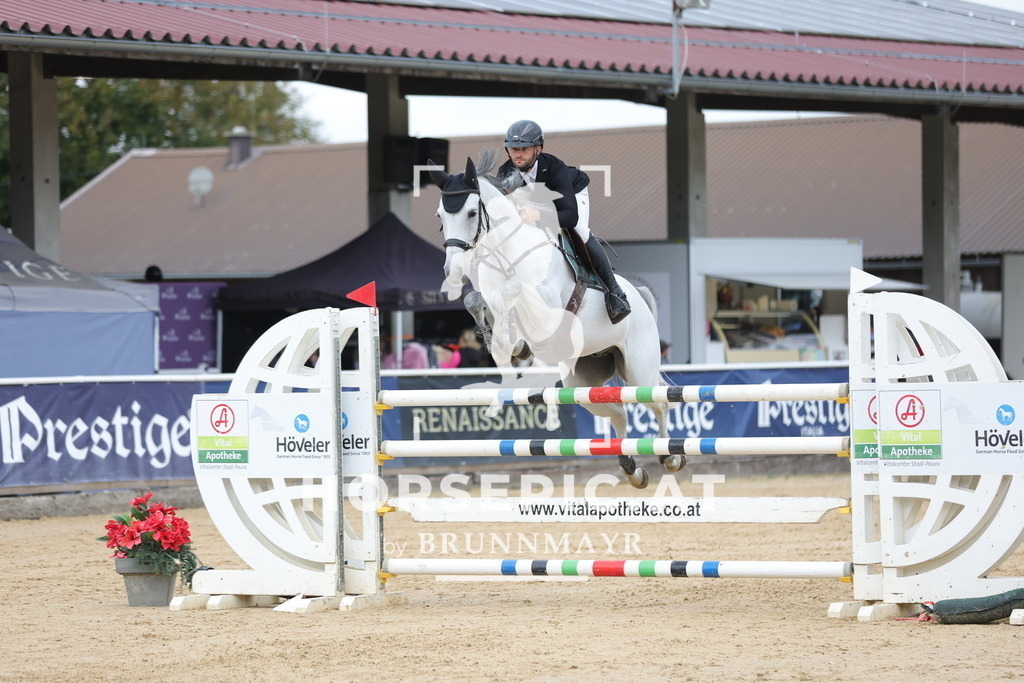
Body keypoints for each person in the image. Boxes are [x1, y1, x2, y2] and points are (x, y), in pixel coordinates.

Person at [496, 119, 630, 324]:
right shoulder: (506, 174)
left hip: (570, 195)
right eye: (513, 149)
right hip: (538, 203)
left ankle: (615, 293)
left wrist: (538, 216)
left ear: (538, 149)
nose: (518, 154)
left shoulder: (554, 167)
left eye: (524, 148)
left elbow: (569, 216)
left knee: (580, 229)